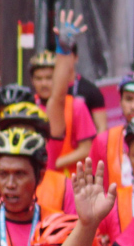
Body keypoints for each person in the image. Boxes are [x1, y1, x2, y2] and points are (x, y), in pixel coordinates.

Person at [28, 37, 95, 170]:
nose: (44, 83)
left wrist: (53, 162)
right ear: (32, 80)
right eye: (38, 78)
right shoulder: (27, 105)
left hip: (67, 178)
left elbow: (87, 149)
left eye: (49, 78)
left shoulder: (76, 106)